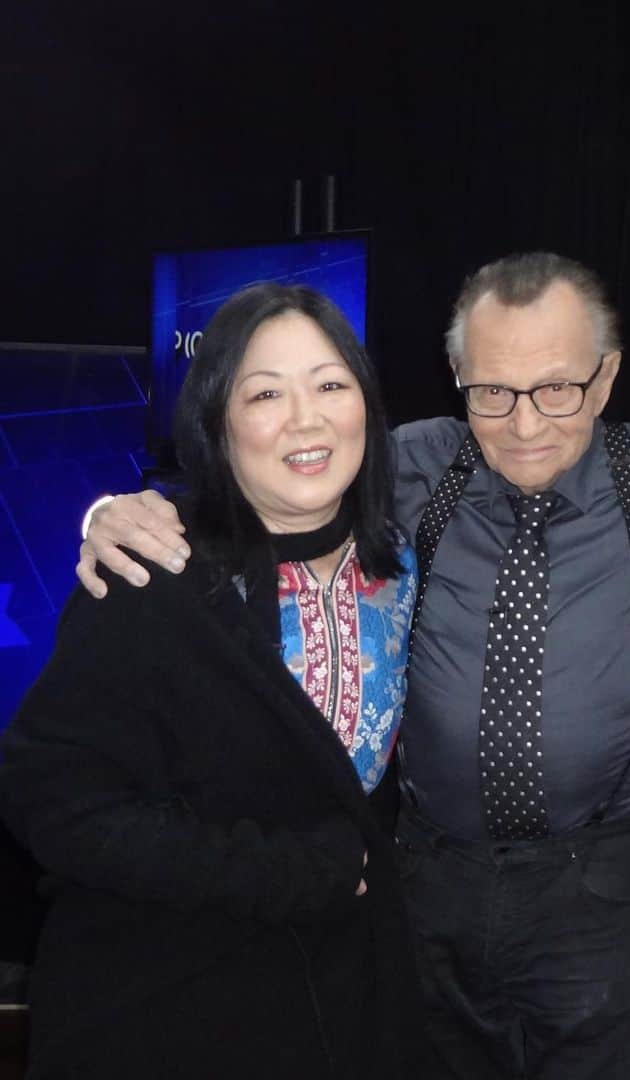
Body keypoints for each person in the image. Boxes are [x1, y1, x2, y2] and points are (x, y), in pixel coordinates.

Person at [77, 252, 630, 1080]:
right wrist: (122, 511)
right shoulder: (410, 463)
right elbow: (270, 479)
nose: (522, 425)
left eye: (555, 389)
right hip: (423, 872)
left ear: (608, 377)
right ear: (460, 381)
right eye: (492, 392)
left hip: (597, 884)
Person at [1, 284, 425, 1078]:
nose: (307, 418)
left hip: (340, 1002)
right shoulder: (150, 572)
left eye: (331, 384)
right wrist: (292, 874)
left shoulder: (400, 564)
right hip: (168, 1002)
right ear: (218, 423)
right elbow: (52, 803)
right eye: (265, 392)